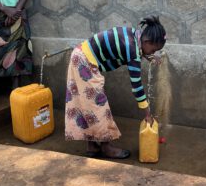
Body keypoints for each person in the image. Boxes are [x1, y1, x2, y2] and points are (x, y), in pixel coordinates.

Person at [65, 16, 166, 159]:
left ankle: (92, 146)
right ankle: (106, 147)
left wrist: (146, 56)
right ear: (147, 42)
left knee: (89, 105)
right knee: (98, 105)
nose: (152, 53)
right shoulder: (132, 50)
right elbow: (137, 86)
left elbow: (127, 53)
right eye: (153, 50)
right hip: (84, 62)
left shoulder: (134, 35)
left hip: (81, 55)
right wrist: (147, 113)